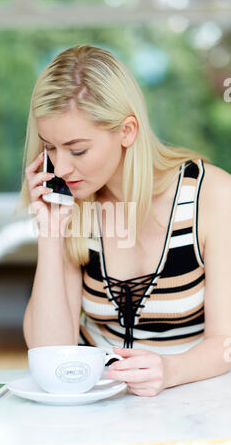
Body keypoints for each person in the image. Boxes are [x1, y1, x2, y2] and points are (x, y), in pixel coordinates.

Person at [16, 45, 231, 396]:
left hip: (189, 403)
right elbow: (50, 353)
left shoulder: (213, 197)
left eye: (78, 149)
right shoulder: (73, 203)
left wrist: (169, 370)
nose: (61, 167)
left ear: (127, 131)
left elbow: (225, 341)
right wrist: (51, 233)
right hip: (94, 409)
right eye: (50, 148)